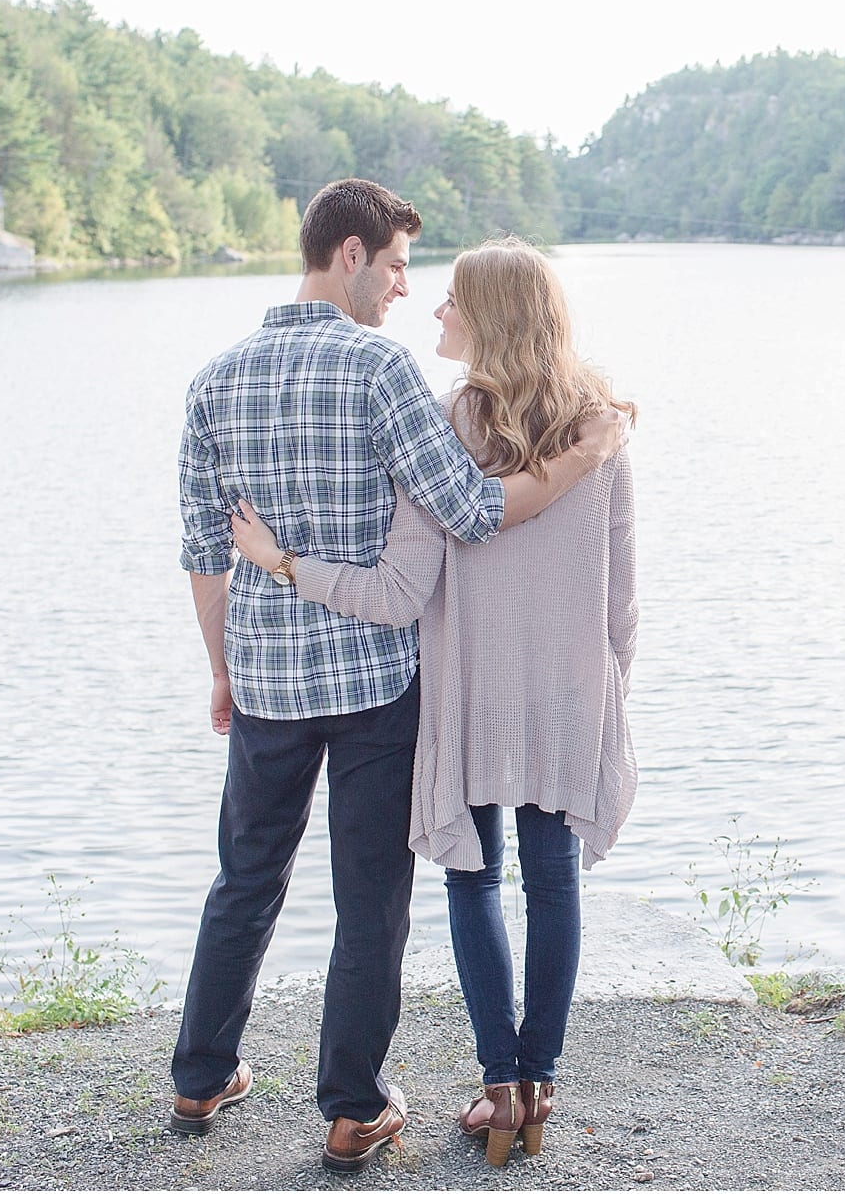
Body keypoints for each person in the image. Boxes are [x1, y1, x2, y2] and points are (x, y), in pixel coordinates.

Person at [168, 181, 622, 1176]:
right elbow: (466, 506)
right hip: (375, 681)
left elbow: (204, 548)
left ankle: (200, 1074)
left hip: (267, 680)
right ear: (348, 256)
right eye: (396, 269)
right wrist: (587, 456)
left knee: (245, 877)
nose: (402, 293)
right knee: (369, 900)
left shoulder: (213, 380)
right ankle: (351, 1108)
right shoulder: (381, 370)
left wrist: (220, 669)